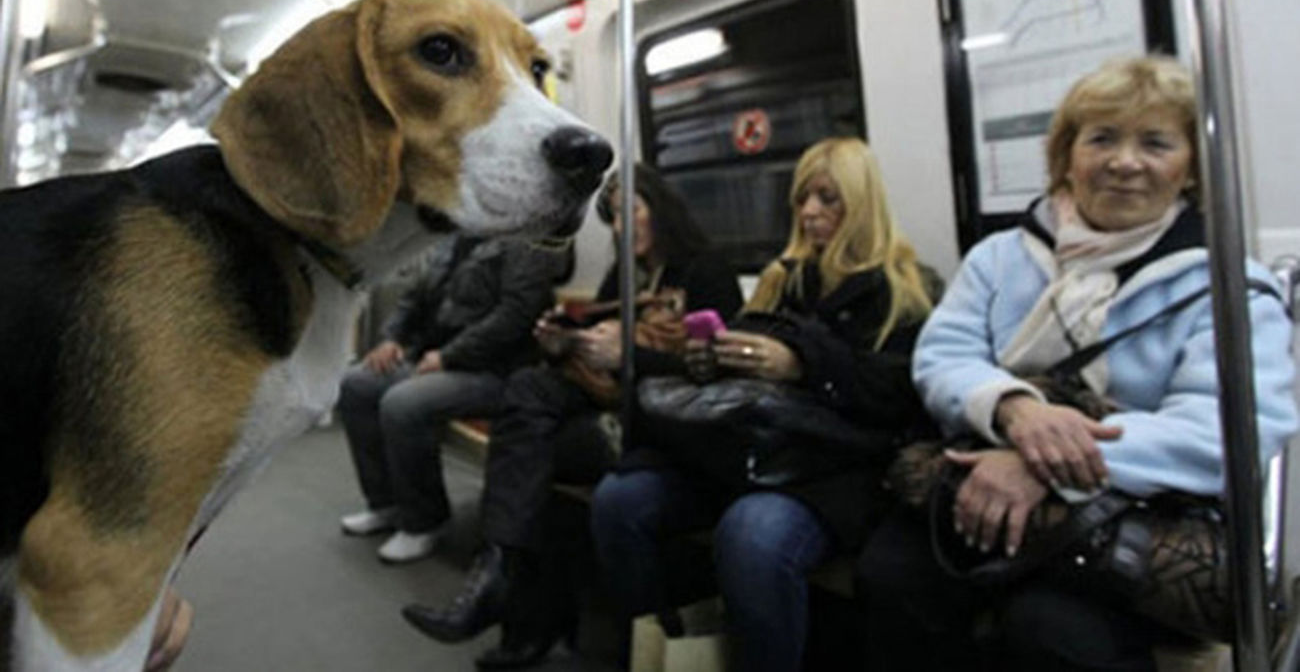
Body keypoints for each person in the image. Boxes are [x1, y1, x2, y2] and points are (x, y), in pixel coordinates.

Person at [856, 56, 1298, 670]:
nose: (1125, 162)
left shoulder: (1226, 285)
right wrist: (1016, 410)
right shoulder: (999, 257)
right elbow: (944, 356)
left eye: (1155, 143)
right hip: (989, 463)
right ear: (1067, 157)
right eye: (1102, 139)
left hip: (1137, 510)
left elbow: (1228, 427)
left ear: (1191, 167)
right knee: (889, 575)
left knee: (1052, 630)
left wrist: (1050, 465)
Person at [590, 138, 941, 672]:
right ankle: (655, 646)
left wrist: (802, 365)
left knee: (752, 534)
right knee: (620, 500)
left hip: (833, 467)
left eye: (828, 198)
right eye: (802, 199)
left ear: (862, 203)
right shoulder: (781, 278)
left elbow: (896, 395)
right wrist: (711, 359)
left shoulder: (904, 289)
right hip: (749, 451)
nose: (810, 212)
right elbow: (738, 370)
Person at [402, 164, 743, 669]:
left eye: (632, 212)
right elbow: (595, 340)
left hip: (665, 423)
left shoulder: (705, 272)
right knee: (529, 401)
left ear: (661, 209)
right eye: (615, 218)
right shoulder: (624, 273)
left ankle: (518, 609)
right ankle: (506, 581)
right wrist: (564, 341)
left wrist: (628, 354)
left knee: (534, 462)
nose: (622, 227)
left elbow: (713, 374)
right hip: (610, 402)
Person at [337, 234, 564, 563]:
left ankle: (424, 520)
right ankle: (386, 504)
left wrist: (449, 356)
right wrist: (392, 338)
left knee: (404, 404)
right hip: (433, 356)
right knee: (357, 385)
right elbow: (413, 297)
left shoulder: (527, 241)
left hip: (496, 370)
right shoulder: (454, 236)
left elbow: (517, 314)